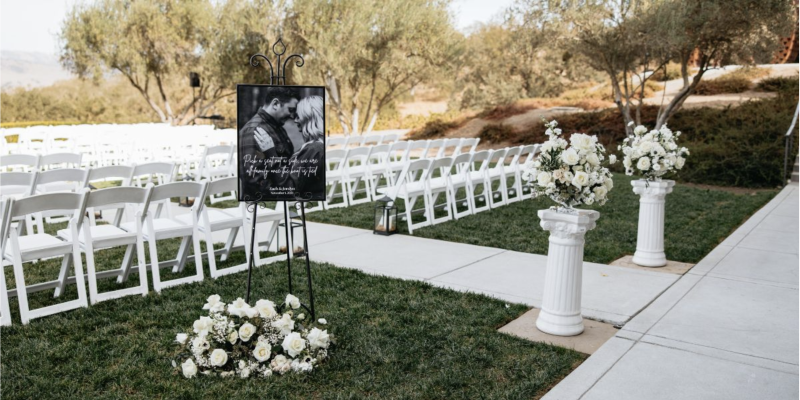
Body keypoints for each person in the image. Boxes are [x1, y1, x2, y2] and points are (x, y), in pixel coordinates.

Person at [238, 87, 299, 200]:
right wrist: (286, 194)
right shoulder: (254, 130)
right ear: (275, 103)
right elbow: (254, 180)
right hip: (263, 207)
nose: (292, 116)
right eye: (290, 110)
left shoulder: (277, 126)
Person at [288, 96, 325, 199]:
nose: (295, 121)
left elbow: (291, 187)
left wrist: (270, 151)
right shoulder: (320, 145)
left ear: (309, 118)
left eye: (298, 116)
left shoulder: (313, 149)